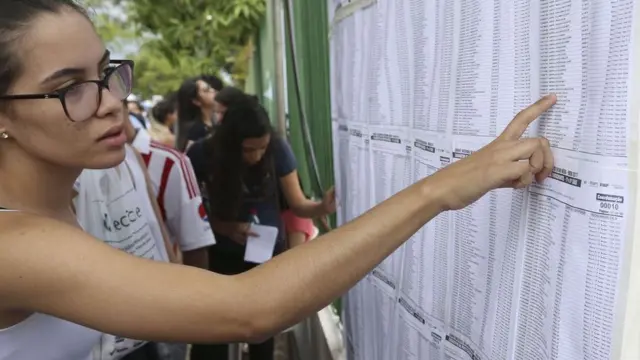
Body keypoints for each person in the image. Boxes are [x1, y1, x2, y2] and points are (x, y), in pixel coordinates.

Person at [0, 1, 556, 360]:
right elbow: (251, 307)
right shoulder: (17, 244)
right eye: (67, 87)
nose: (110, 103)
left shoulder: (63, 197)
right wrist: (439, 188)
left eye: (105, 72)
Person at [187, 96, 337, 360]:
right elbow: (186, 215)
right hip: (218, 259)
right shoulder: (201, 154)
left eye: (262, 148)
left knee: (261, 337)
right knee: (212, 338)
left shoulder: (278, 149)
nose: (256, 156)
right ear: (230, 143)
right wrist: (223, 227)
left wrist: (322, 207)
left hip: (265, 258)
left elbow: (299, 205)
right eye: (247, 150)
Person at [175, 77, 216, 151]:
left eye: (210, 87)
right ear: (196, 101)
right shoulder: (195, 131)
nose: (213, 90)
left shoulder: (216, 124)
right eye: (206, 90)